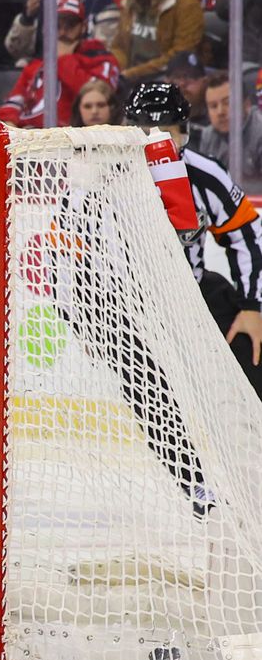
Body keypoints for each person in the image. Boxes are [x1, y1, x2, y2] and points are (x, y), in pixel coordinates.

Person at [127, 81, 262, 401]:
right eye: (147, 132)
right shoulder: (103, 176)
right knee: (156, 401)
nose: (156, 143)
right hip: (131, 305)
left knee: (251, 344)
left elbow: (246, 239)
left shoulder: (204, 174)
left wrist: (251, 308)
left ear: (184, 133)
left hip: (191, 291)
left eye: (167, 133)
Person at [0, 0, 120, 128]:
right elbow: (13, 103)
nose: (62, 32)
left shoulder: (101, 59)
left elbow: (100, 98)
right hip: (29, 137)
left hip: (73, 138)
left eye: (70, 25)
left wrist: (63, 59)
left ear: (83, 27)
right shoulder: (35, 66)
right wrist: (9, 123)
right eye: (56, 26)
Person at [110, 0, 206, 84]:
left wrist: (133, 73)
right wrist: (116, 71)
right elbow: (119, 47)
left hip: (166, 75)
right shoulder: (131, 2)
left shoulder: (187, 5)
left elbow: (180, 56)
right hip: (129, 74)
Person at [5, 0, 120, 62]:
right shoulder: (44, 0)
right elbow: (15, 51)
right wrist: (27, 18)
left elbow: (107, 54)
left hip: (86, 73)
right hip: (43, 72)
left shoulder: (104, 0)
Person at [197, 71, 262, 190]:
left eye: (227, 103)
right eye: (213, 106)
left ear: (246, 104)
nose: (220, 112)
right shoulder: (208, 135)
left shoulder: (259, 130)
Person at [164, 50, 209, 141]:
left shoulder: (216, 117)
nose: (182, 83)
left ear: (204, 82)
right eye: (176, 77)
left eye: (190, 77)